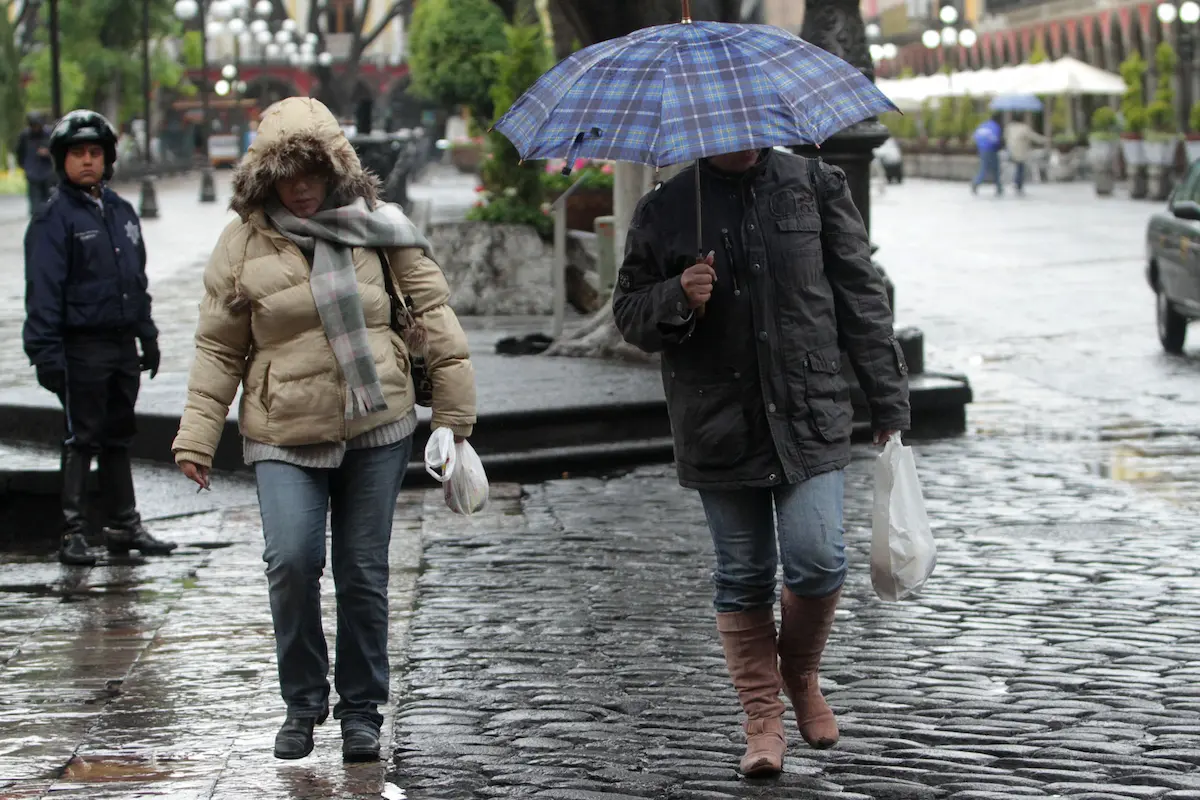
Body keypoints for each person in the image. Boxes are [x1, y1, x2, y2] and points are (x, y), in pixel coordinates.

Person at [170, 97, 477, 763]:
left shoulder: (381, 227)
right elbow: (219, 349)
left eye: (312, 171)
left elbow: (434, 313)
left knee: (363, 573)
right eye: (287, 175)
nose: (301, 187)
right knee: (292, 561)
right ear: (266, 179)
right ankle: (303, 702)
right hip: (282, 428)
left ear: (336, 170)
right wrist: (197, 435)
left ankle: (362, 711)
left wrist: (453, 416)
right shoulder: (241, 245)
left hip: (379, 423)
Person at [612, 148, 910, 778]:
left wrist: (887, 399)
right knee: (743, 573)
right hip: (717, 419)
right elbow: (628, 312)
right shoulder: (667, 206)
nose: (743, 138)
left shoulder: (816, 186)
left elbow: (860, 294)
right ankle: (762, 720)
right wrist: (678, 295)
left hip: (811, 407)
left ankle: (799, 673)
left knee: (819, 556)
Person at [23, 109, 175, 567]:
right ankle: (73, 531)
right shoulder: (53, 220)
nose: (87, 161)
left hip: (120, 344)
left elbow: (136, 278)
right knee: (81, 437)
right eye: (77, 153)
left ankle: (124, 525)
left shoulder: (123, 213)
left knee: (118, 436)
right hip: (80, 346)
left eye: (95, 152)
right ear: (62, 160)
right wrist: (46, 354)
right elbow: (43, 293)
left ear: (107, 158)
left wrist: (146, 335)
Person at [15, 112, 55, 214]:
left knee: (49, 200)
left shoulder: (49, 134)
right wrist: (24, 166)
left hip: (48, 173)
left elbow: (57, 151)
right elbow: (20, 152)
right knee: (35, 203)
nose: (36, 128)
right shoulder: (25, 136)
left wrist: (48, 153)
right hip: (32, 173)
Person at [1004, 118, 1048, 195]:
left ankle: (1017, 183)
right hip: (1020, 152)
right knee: (1020, 168)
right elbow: (1033, 136)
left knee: (1018, 167)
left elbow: (1005, 137)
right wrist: (1044, 140)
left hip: (1011, 151)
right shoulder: (1024, 128)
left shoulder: (1010, 127)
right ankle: (1017, 183)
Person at [971, 114, 1004, 196]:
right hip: (991, 150)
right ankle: (976, 183)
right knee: (990, 169)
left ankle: (999, 187)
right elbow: (995, 139)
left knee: (987, 168)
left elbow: (975, 136)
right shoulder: (995, 126)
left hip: (981, 150)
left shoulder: (983, 125)